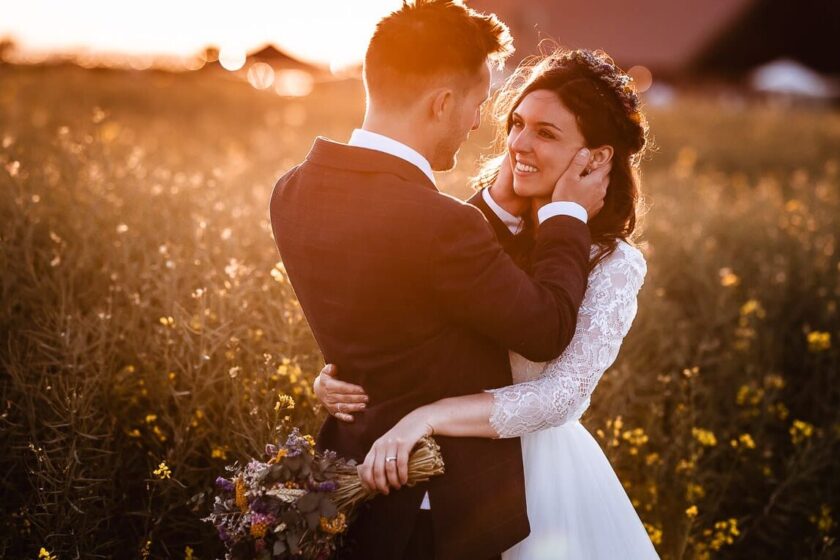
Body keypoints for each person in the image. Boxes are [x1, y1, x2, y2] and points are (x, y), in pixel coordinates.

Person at [269, 1, 611, 558]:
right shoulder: (441, 225)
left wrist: (495, 205)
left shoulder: (290, 192)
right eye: (478, 104)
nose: (478, 124)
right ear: (443, 102)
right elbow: (546, 329)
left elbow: (401, 289)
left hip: (343, 480)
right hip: (435, 506)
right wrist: (567, 216)